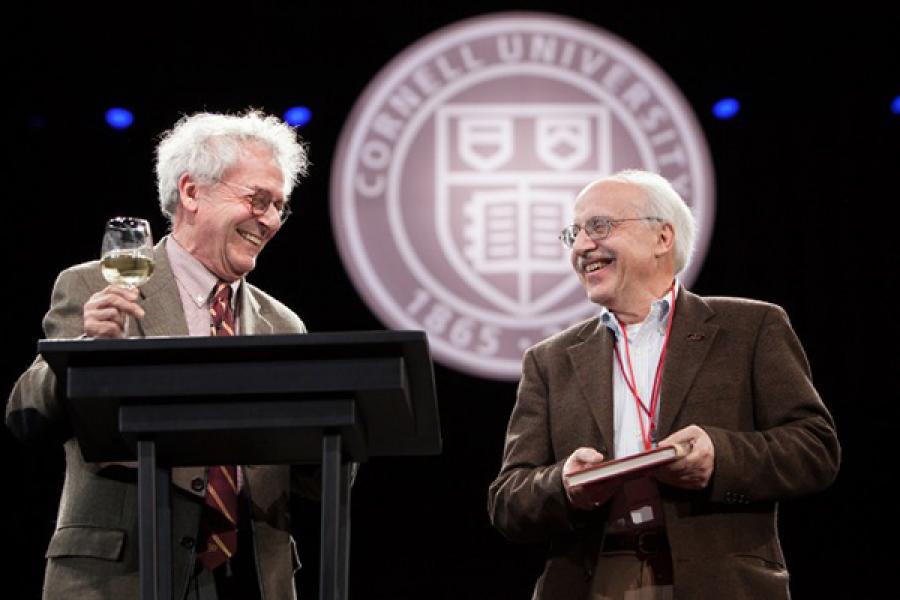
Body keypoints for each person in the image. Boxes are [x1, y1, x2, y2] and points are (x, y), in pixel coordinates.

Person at [487, 169, 840, 599]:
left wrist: (719, 456)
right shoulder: (549, 360)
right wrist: (562, 485)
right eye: (573, 233)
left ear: (662, 238)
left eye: (599, 226)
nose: (581, 246)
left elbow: (815, 449)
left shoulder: (750, 327)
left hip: (718, 583)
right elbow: (508, 501)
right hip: (593, 581)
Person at [7, 110, 316, 599]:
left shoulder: (283, 324)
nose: (271, 220)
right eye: (258, 200)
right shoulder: (93, 285)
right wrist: (84, 352)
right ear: (191, 193)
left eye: (280, 206)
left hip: (249, 581)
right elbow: (26, 415)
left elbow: (304, 480)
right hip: (121, 576)